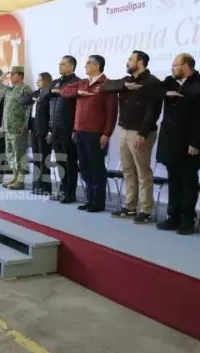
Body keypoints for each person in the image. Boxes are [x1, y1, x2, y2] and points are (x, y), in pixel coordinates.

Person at [155, 54, 200, 235]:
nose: (172, 68)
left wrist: (196, 142)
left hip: (188, 142)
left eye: (175, 65)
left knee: (188, 181)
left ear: (187, 66)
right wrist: (165, 93)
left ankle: (188, 219)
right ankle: (173, 216)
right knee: (173, 179)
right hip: (169, 141)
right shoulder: (169, 82)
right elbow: (150, 90)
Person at [104, 51, 164, 224]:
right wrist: (125, 86)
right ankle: (130, 206)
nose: (127, 62)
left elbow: (153, 111)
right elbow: (106, 86)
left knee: (143, 172)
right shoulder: (126, 80)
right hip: (124, 130)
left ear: (141, 62)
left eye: (131, 60)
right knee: (128, 170)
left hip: (140, 132)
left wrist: (142, 133)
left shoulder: (152, 82)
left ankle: (146, 210)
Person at [60, 55, 117, 213]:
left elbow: (112, 113)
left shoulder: (106, 85)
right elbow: (64, 91)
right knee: (84, 167)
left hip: (96, 133)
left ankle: (98, 202)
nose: (85, 66)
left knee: (97, 167)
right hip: (80, 131)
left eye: (88, 63)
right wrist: (77, 91)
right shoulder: (83, 83)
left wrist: (107, 134)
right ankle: (90, 199)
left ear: (97, 66)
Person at [48, 56, 82, 203]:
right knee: (60, 161)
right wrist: (50, 129)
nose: (60, 66)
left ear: (71, 66)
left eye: (63, 64)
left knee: (70, 161)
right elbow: (48, 99)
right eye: (59, 64)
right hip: (55, 127)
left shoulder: (77, 82)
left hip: (68, 127)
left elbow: (78, 108)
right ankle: (62, 190)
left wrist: (75, 129)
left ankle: (70, 192)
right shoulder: (56, 82)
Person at [0, 66, 31, 189]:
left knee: (20, 153)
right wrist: (3, 77)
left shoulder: (25, 89)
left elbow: (29, 108)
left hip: (18, 127)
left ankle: (21, 180)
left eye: (13, 74)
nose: (11, 76)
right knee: (10, 154)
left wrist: (25, 124)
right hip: (8, 127)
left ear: (20, 75)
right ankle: (15, 177)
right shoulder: (9, 89)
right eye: (10, 74)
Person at [21, 72, 53, 195]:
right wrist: (33, 98)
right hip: (34, 128)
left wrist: (50, 131)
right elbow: (23, 101)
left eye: (40, 80)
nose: (37, 82)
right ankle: (37, 184)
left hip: (44, 129)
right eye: (37, 80)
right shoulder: (37, 93)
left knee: (44, 159)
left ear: (46, 81)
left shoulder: (49, 94)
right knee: (36, 158)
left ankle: (46, 187)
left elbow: (50, 114)